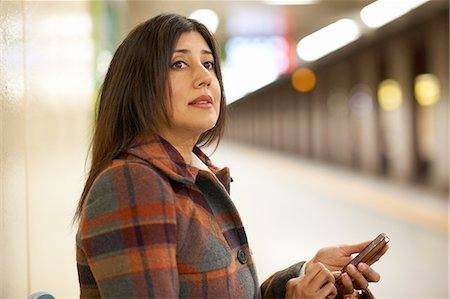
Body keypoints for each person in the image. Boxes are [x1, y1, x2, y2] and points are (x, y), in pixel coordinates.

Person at [75, 13, 388, 298]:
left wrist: (302, 279)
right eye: (179, 64)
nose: (205, 77)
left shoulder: (196, 177)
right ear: (138, 85)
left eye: (209, 64)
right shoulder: (132, 183)